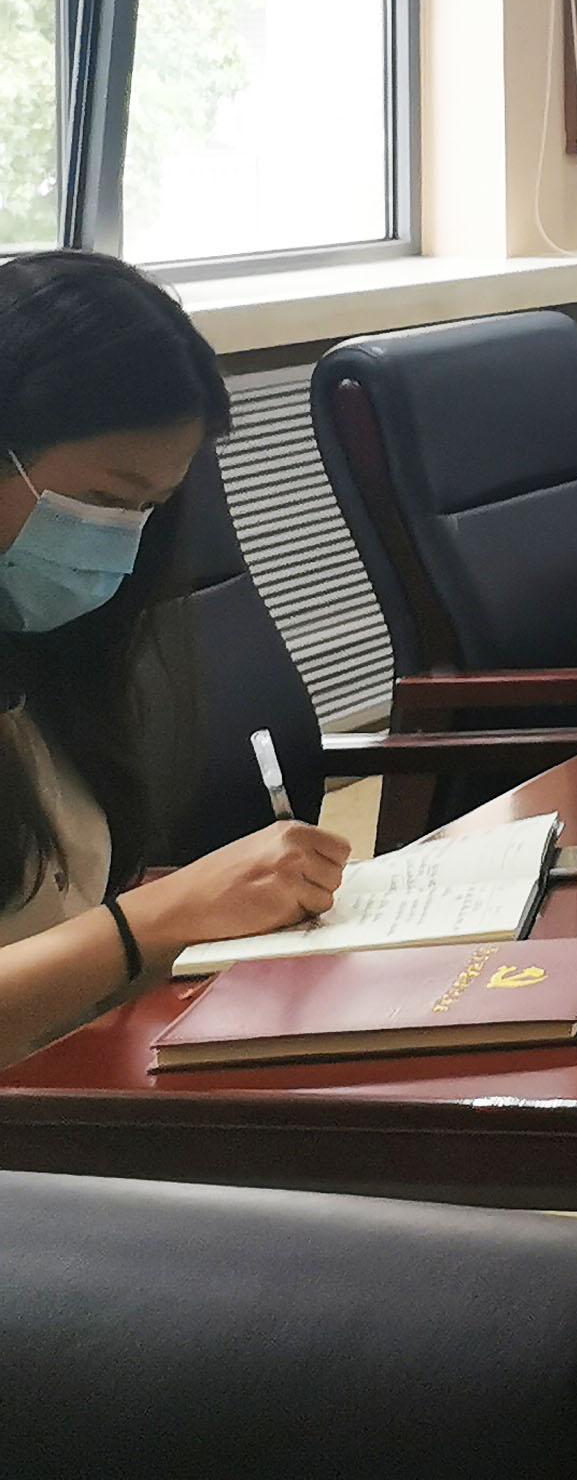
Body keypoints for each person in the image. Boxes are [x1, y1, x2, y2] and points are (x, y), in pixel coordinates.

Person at [0, 253, 352, 1061]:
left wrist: (221, 902)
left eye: (148, 509)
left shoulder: (48, 645)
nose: (117, 545)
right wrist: (151, 922)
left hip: (89, 1070)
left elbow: (57, 905)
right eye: (99, 500)